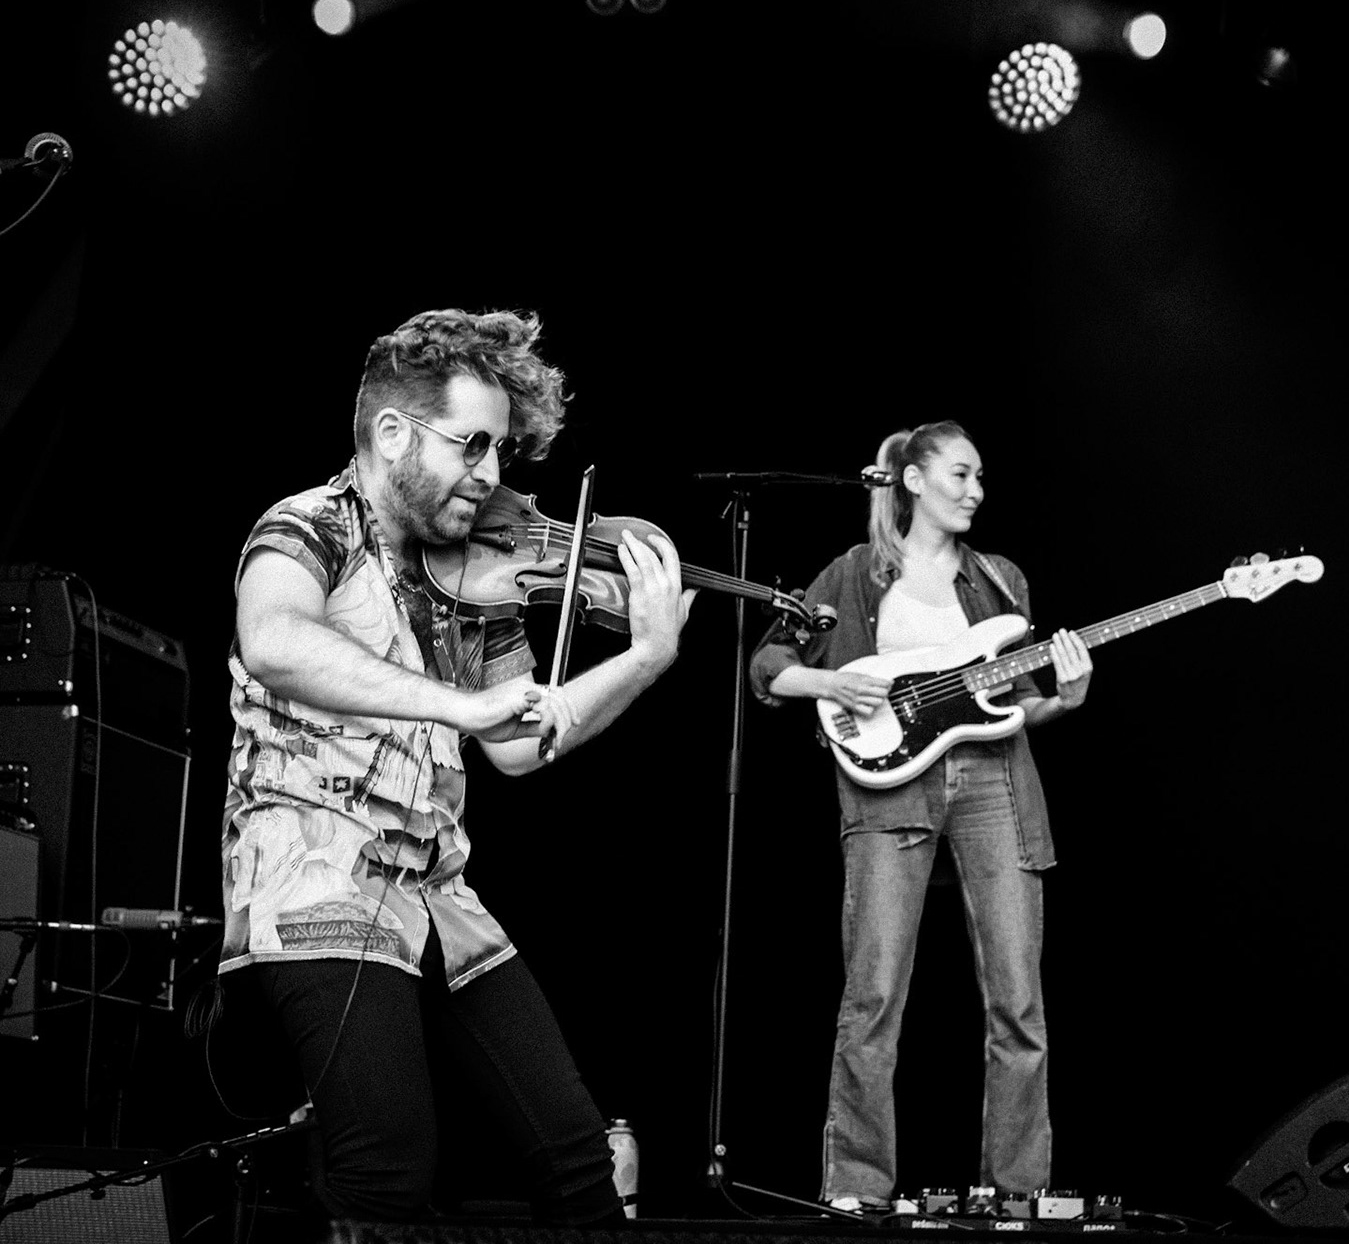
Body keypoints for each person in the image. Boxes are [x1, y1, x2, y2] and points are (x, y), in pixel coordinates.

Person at [219, 307, 693, 1227]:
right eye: (472, 446)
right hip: (318, 876)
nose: (489, 475)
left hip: (437, 889)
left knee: (576, 1161)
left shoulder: (467, 574)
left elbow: (518, 747)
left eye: (500, 453)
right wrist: (459, 703)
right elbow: (272, 639)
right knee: (388, 1169)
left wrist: (641, 660)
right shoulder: (307, 528)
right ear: (394, 431)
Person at [748, 421, 1093, 1212]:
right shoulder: (853, 574)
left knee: (1018, 999)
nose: (976, 490)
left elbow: (1018, 710)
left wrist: (1065, 698)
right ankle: (857, 1191)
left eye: (980, 479)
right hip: (887, 792)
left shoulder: (1002, 582)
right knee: (873, 993)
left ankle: (1019, 1195)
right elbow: (771, 664)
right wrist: (829, 686)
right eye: (961, 474)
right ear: (913, 480)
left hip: (995, 786)